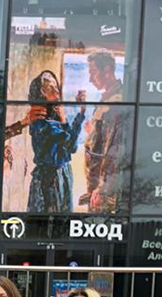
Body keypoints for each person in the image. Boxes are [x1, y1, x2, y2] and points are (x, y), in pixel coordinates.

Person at [25, 70, 86, 213]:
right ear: (42, 93)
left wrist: (79, 113)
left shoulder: (55, 120)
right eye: (51, 88)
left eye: (56, 87)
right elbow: (70, 143)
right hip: (49, 178)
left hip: (63, 175)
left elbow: (72, 147)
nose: (57, 91)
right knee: (50, 219)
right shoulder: (40, 121)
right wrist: (72, 117)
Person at [83, 51, 127, 213]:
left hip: (104, 190)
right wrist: (93, 131)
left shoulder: (115, 103)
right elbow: (105, 138)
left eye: (93, 73)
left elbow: (114, 149)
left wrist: (103, 188)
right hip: (97, 186)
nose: (90, 79)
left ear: (107, 70)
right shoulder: (108, 99)